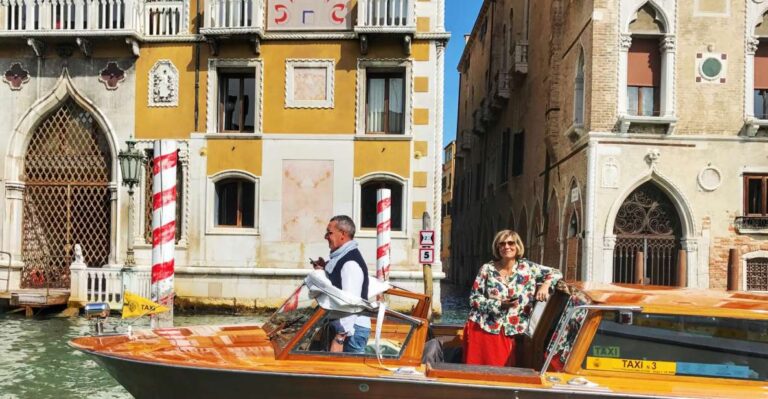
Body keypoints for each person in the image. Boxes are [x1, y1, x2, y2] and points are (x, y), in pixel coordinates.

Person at [463, 229, 562, 367]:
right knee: (486, 373)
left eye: (511, 243)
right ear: (497, 247)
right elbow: (474, 299)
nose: (506, 247)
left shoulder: (528, 268)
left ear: (518, 246)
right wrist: (499, 305)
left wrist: (545, 285)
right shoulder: (487, 269)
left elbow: (556, 272)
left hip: (516, 329)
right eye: (502, 244)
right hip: (486, 326)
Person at [311, 215, 371, 353]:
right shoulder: (342, 258)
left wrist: (339, 338)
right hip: (345, 328)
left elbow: (351, 302)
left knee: (350, 373)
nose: (326, 237)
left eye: (329, 233)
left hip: (351, 330)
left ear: (343, 234)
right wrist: (323, 269)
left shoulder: (350, 263)